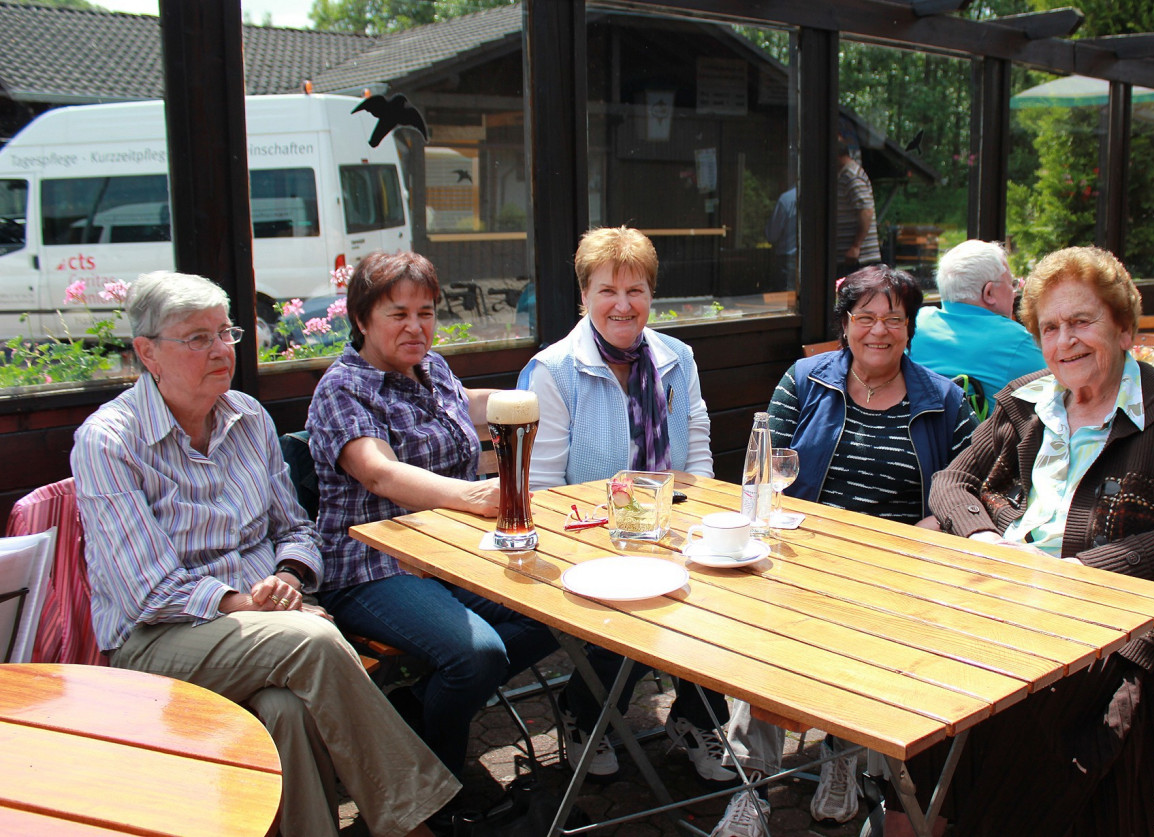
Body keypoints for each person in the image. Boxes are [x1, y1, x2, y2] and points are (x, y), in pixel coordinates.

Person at [70, 271, 458, 837]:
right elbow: (147, 589)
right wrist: (251, 604)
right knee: (317, 640)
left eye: (225, 333)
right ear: (146, 352)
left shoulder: (247, 417)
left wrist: (288, 576)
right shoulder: (110, 441)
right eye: (197, 339)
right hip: (157, 639)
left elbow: (297, 528)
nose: (220, 350)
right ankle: (414, 820)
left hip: (268, 627)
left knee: (287, 712)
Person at [886, 246, 1154, 837]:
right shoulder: (1026, 399)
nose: (1064, 341)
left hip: (1097, 618)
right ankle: (919, 812)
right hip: (995, 593)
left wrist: (1083, 569)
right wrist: (981, 537)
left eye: (1082, 321)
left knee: (1029, 716)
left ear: (1123, 327)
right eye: (1050, 327)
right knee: (915, 683)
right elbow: (953, 480)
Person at [711, 265, 977, 837]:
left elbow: (967, 488)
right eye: (866, 318)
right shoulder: (805, 380)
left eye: (894, 319)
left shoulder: (946, 400)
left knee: (879, 639)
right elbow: (762, 471)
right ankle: (752, 784)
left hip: (898, 570)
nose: (878, 331)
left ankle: (843, 760)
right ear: (846, 325)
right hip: (802, 554)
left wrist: (925, 532)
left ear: (910, 329)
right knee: (759, 630)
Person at [306, 251, 557, 784]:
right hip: (373, 566)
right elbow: (378, 473)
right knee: (477, 654)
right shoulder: (343, 388)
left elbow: (464, 405)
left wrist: (544, 395)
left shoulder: (432, 368)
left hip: (449, 556)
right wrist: (470, 497)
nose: (416, 327)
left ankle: (415, 714)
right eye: (398, 314)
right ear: (361, 319)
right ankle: (433, 783)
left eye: (425, 312)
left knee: (562, 613)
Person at [517, 226, 729, 783]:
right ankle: (584, 712)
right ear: (584, 296)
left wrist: (701, 525)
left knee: (727, 584)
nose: (622, 304)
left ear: (650, 297)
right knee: (644, 598)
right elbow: (541, 493)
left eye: (635, 291)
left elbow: (697, 451)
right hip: (584, 540)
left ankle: (695, 716)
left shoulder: (677, 359)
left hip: (667, 527)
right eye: (607, 290)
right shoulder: (555, 370)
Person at [909, 239, 1045, 398]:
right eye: (1012, 284)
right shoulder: (1018, 343)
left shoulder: (914, 325)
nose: (1014, 293)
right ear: (989, 293)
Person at [835, 140, 880, 275]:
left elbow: (866, 211)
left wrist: (855, 246)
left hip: (859, 258)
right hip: (852, 257)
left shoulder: (851, 176)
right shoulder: (845, 174)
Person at [764, 185, 797, 287]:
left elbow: (772, 235)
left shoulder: (786, 199)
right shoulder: (819, 196)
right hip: (813, 259)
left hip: (787, 260)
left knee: (786, 297)